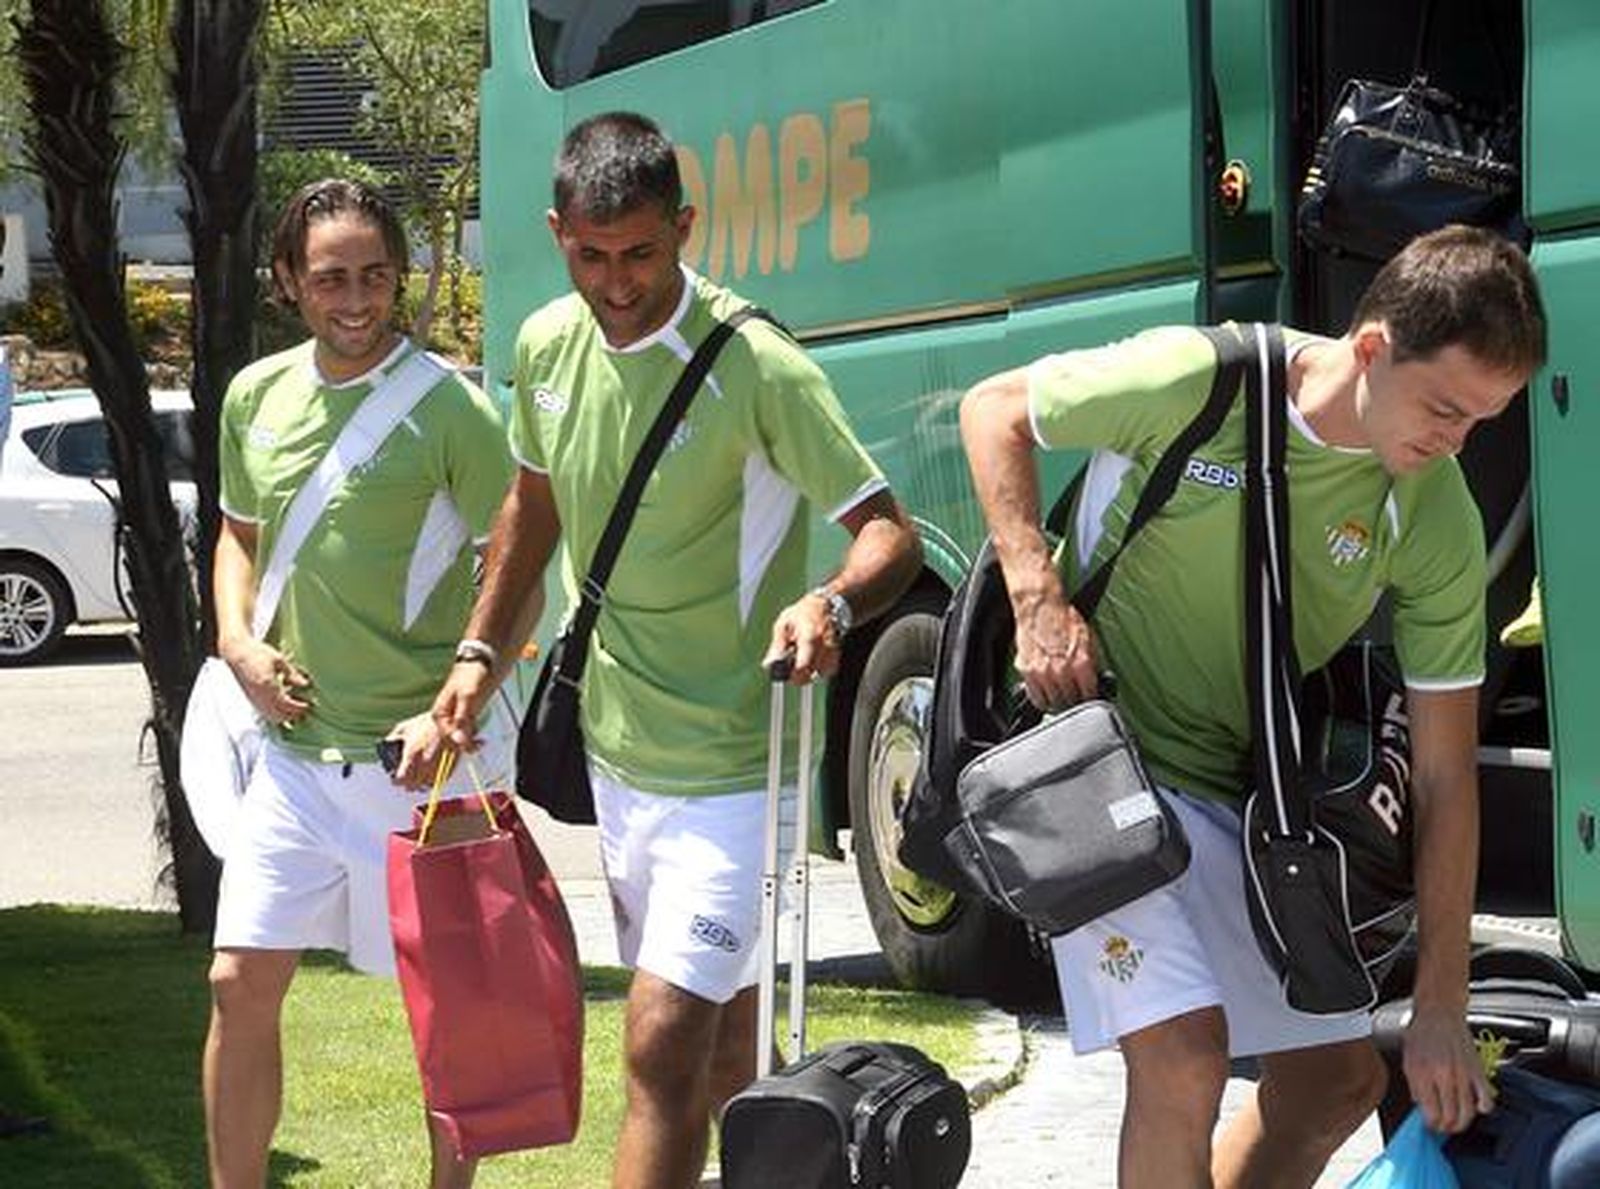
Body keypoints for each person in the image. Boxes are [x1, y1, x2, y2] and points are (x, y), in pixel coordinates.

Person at [958, 224, 1546, 1189]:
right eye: (1446, 407)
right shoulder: (1201, 378)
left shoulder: (1433, 509)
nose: (1456, 441)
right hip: (1097, 769)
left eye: (1483, 420)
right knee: (1185, 1057)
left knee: (1334, 1083)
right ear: (1371, 348)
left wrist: (1444, 999)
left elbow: (1445, 774)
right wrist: (1037, 594)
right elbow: (994, 410)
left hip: (1244, 794)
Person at [430, 111, 922, 1189]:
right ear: (556, 232)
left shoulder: (756, 364)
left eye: (641, 254)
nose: (617, 283)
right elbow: (532, 509)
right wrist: (476, 653)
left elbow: (890, 532)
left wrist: (830, 603)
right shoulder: (545, 345)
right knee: (729, 1049)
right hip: (620, 760)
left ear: (686, 228)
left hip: (737, 768)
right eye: (592, 255)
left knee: (658, 1039)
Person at [203, 178, 513, 1189]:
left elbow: (520, 569)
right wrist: (238, 644)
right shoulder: (255, 395)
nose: (356, 299)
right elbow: (238, 537)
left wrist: (453, 703)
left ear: (400, 277)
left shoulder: (451, 409)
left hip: (422, 770)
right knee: (237, 982)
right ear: (288, 280)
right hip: (292, 762)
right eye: (331, 277)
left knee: (450, 1014)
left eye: (375, 276)